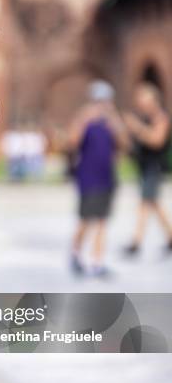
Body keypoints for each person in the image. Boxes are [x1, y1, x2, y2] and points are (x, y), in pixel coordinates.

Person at [67, 80, 129, 277]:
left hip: (107, 177)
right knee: (86, 220)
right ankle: (75, 255)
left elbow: (124, 145)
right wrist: (84, 119)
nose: (102, 104)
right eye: (99, 101)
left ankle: (97, 262)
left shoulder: (112, 122)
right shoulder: (85, 118)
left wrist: (115, 122)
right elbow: (72, 142)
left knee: (102, 220)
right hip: (88, 176)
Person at [122, 82, 172, 255]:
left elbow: (157, 140)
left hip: (154, 167)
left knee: (146, 203)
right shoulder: (145, 117)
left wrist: (137, 128)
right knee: (153, 203)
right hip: (144, 166)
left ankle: (136, 242)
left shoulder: (161, 118)